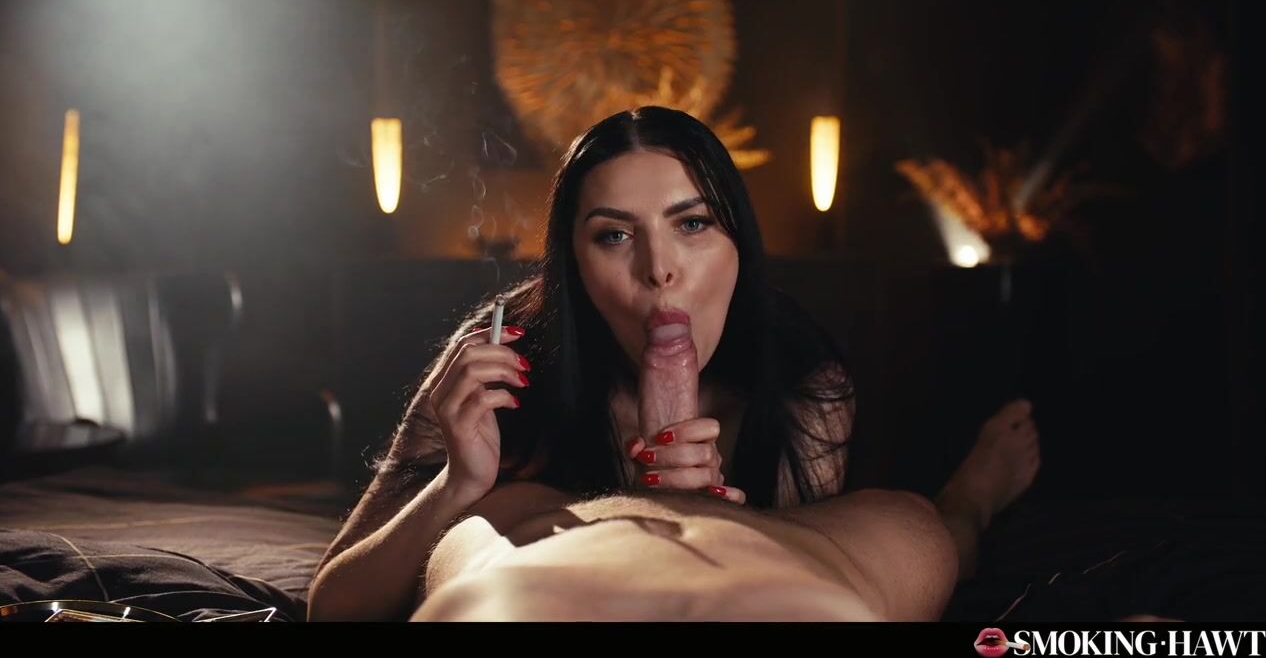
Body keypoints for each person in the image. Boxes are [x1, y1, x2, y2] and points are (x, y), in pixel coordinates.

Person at [306, 106, 1040, 621]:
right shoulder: (497, 363)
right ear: (573, 265)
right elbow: (333, 603)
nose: (659, 269)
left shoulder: (799, 380)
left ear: (738, 244)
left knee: (924, 529)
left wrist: (715, 507)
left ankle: (969, 501)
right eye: (614, 236)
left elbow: (795, 560)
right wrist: (457, 485)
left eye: (692, 224)